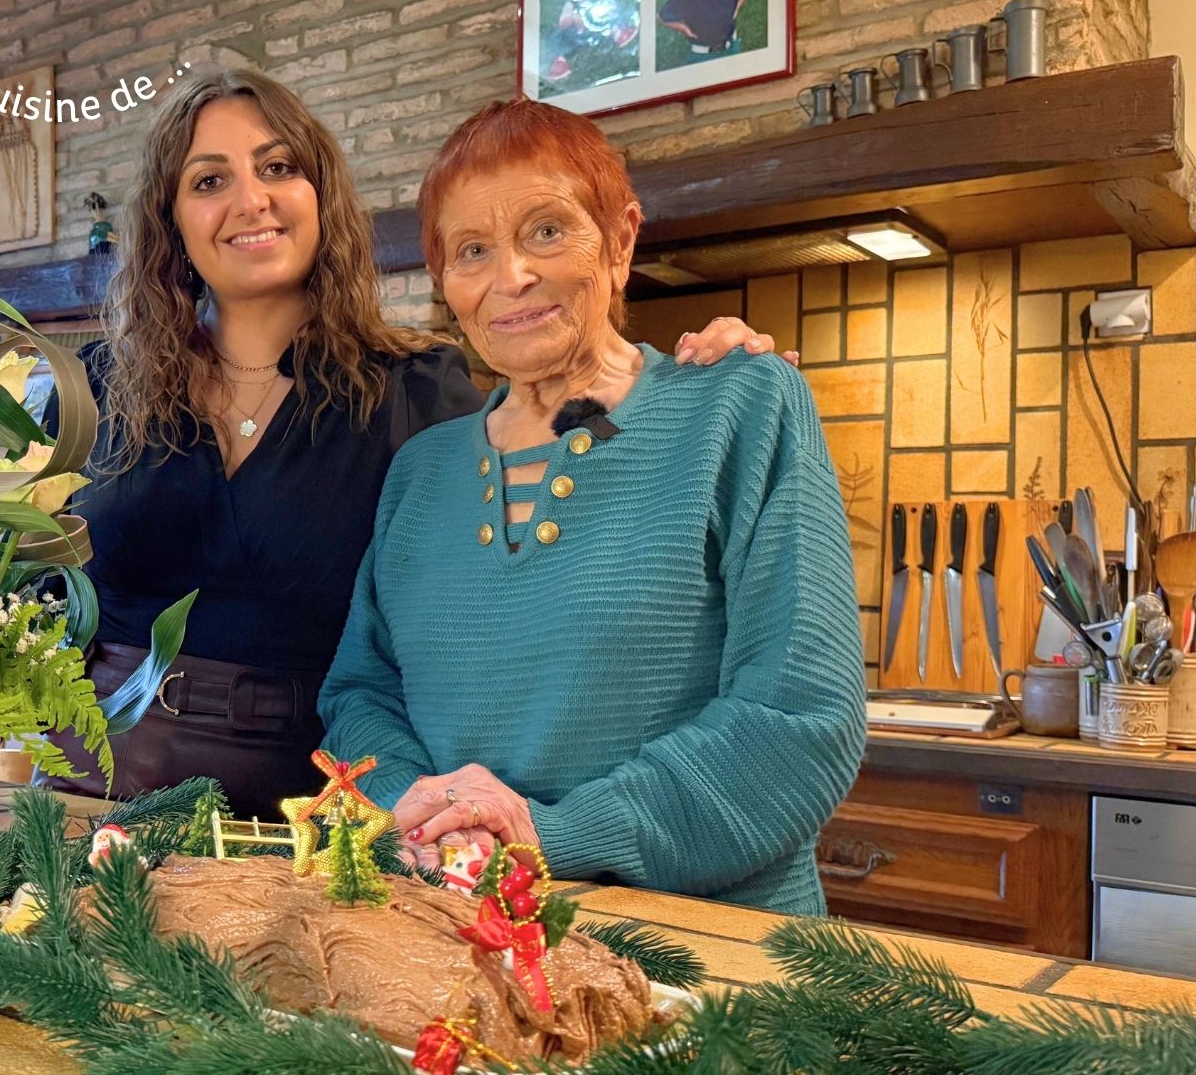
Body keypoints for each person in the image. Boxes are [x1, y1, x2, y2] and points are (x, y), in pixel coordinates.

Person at [43, 68, 792, 816]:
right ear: (171, 218)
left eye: (278, 167)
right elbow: (27, 591)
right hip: (93, 776)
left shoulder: (412, 390)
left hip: (309, 800)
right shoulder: (95, 386)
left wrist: (688, 389)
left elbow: (550, 471)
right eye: (209, 180)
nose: (251, 199)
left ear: (321, 196)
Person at [317, 97, 865, 914]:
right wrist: (422, 813)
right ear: (445, 284)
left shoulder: (742, 406)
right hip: (453, 927)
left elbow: (799, 718)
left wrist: (549, 835)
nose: (511, 277)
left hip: (706, 955)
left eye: (545, 230)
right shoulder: (420, 471)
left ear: (620, 240)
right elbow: (362, 698)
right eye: (472, 250)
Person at [658, 0, 751, 61]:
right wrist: (683, 28)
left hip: (731, 47)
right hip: (702, 55)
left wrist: (736, 8)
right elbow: (660, 16)